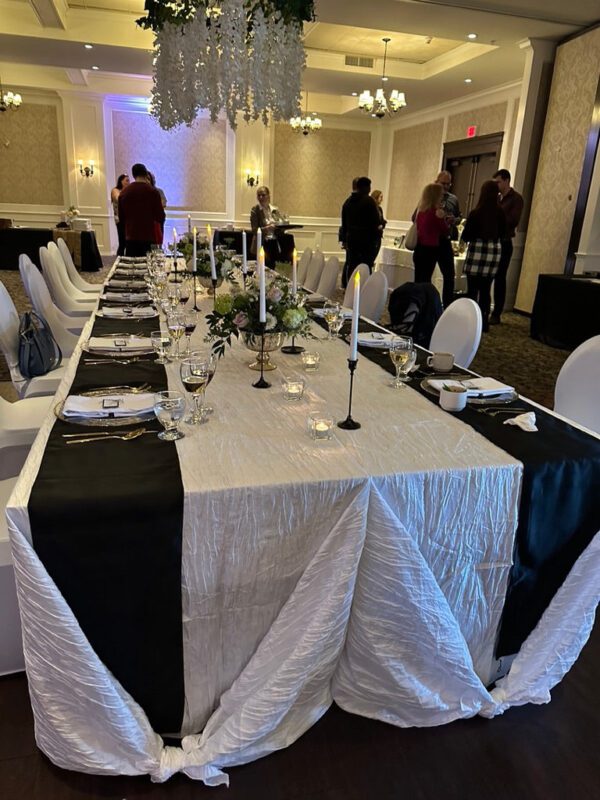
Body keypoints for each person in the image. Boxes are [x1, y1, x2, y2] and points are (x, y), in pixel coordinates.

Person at [461, 180, 507, 332]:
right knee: (486, 290)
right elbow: (504, 233)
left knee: (472, 289)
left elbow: (467, 235)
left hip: (477, 251)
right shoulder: (500, 212)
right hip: (493, 251)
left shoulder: (476, 213)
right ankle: (484, 321)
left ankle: (471, 320)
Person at [490, 168, 524, 324]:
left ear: (506, 180)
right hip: (492, 241)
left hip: (504, 242)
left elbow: (513, 221)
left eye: (498, 182)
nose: (496, 185)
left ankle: (497, 313)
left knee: (500, 278)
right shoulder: (496, 199)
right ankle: (484, 309)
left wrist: (496, 217)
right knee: (488, 276)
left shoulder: (516, 199)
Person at [118, 162, 165, 257]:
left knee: (132, 267)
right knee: (148, 266)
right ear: (146, 174)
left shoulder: (124, 192)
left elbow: (121, 217)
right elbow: (160, 216)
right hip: (148, 237)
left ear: (133, 175)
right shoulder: (153, 191)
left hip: (131, 237)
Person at [340, 176, 380, 287]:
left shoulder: (347, 202)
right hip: (366, 241)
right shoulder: (369, 201)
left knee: (352, 265)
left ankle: (351, 287)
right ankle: (364, 287)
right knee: (366, 266)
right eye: (369, 187)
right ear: (365, 188)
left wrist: (344, 239)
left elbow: (344, 223)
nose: (370, 190)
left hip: (352, 240)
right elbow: (376, 221)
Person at [413, 182, 449, 288]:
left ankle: (416, 302)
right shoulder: (435, 213)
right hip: (430, 250)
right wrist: (443, 219)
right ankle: (424, 302)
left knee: (418, 279)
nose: (442, 197)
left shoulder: (421, 212)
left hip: (419, 248)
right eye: (441, 195)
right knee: (425, 280)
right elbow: (445, 231)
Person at [434, 170, 461, 308]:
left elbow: (459, 217)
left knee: (449, 276)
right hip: (430, 242)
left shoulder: (453, 199)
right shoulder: (429, 196)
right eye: (443, 183)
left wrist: (453, 220)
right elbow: (415, 217)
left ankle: (448, 306)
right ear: (436, 182)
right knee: (425, 277)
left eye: (448, 184)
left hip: (445, 241)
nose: (445, 186)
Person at [250, 186, 294, 268]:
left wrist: (282, 227)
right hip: (262, 243)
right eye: (259, 195)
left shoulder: (274, 210)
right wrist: (268, 228)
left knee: (273, 268)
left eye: (263, 195)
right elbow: (254, 230)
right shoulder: (255, 210)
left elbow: (280, 224)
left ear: (268, 196)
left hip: (274, 243)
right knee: (262, 269)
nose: (261, 197)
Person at [339, 177, 359, 288]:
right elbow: (346, 222)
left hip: (349, 237)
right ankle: (347, 283)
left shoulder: (348, 202)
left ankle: (345, 283)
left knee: (349, 261)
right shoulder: (352, 202)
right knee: (350, 262)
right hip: (352, 237)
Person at [111, 173, 129, 256]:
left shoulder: (128, 190)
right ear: (121, 181)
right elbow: (118, 199)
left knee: (128, 242)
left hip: (128, 219)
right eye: (126, 180)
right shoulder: (115, 190)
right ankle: (119, 259)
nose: (128, 182)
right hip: (120, 219)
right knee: (122, 241)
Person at [148, 171, 167, 244]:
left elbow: (163, 203)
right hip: (146, 220)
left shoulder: (158, 191)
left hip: (157, 219)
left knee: (158, 239)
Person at [371, 189, 387, 263]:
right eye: (380, 197)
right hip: (372, 236)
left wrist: (382, 225)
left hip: (378, 236)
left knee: (374, 255)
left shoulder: (380, 209)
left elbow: (382, 221)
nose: (382, 199)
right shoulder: (371, 208)